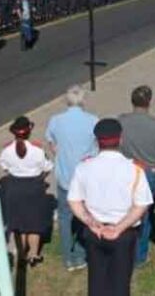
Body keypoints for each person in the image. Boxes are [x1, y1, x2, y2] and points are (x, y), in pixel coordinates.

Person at [67, 119, 153, 296]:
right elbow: (141, 204)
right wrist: (119, 228)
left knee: (96, 283)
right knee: (120, 285)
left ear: (97, 141)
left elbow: (74, 200)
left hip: (95, 231)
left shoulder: (84, 167)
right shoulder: (134, 169)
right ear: (120, 139)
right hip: (124, 233)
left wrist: (91, 223)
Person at [44, 85, 98, 271]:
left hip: (65, 176)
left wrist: (59, 153)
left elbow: (51, 143)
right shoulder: (92, 121)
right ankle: (82, 253)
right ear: (83, 101)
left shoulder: (56, 120)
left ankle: (67, 257)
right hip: (85, 177)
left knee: (65, 218)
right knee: (86, 215)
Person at [117, 85, 155, 266]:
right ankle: (140, 255)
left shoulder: (121, 121)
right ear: (149, 102)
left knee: (125, 212)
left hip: (127, 171)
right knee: (145, 214)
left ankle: (124, 250)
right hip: (148, 172)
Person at [0, 117, 54, 267]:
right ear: (29, 132)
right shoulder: (37, 149)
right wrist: (40, 178)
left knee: (20, 224)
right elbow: (47, 167)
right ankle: (33, 254)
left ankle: (21, 254)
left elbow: (4, 167)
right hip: (34, 187)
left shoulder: (7, 150)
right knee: (34, 223)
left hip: (15, 187)